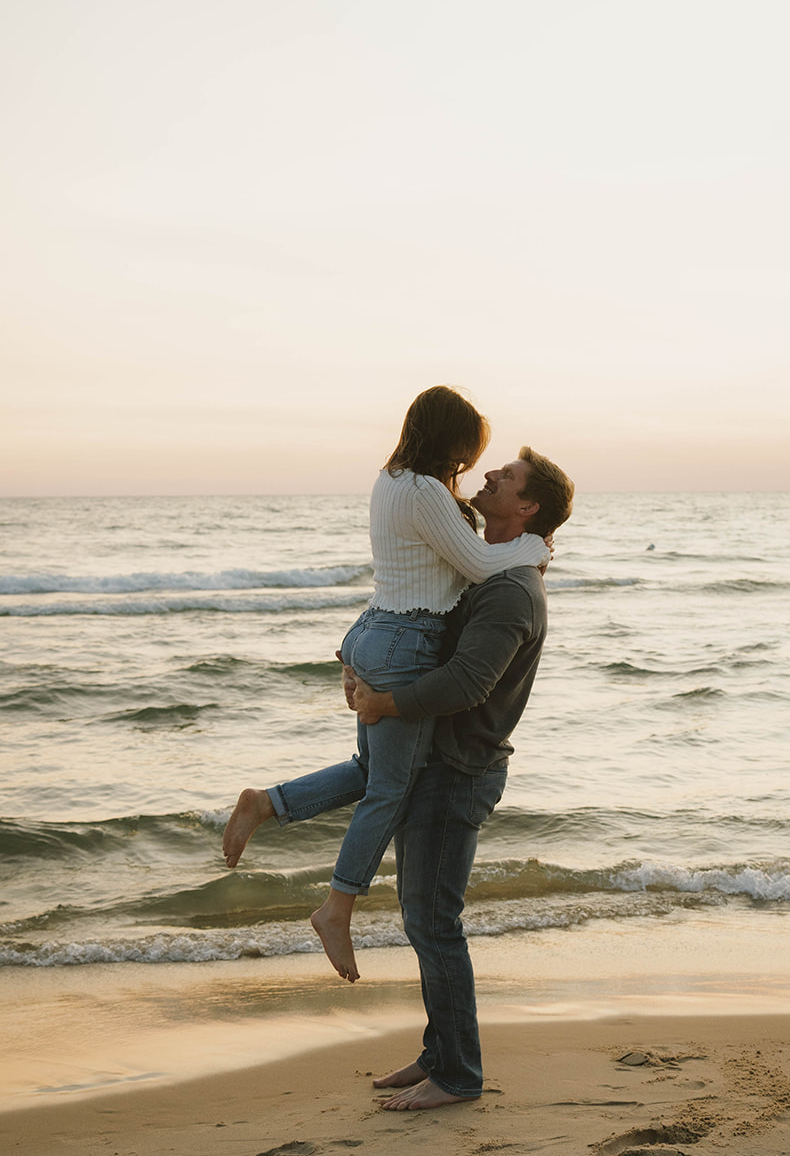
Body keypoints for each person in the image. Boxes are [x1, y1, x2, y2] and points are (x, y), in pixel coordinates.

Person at [222, 446, 575, 1110]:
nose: (489, 476)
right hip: (436, 761)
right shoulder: (480, 567)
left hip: (458, 772)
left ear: (525, 508)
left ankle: (458, 1075)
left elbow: (466, 681)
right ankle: (438, 1055)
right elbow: (418, 624)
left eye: (506, 478)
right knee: (423, 918)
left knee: (434, 922)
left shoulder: (509, 590)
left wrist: (385, 701)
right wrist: (369, 669)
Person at [225, 387, 550, 985]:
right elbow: (479, 566)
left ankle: (269, 803)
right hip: (406, 639)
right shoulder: (427, 491)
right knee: (389, 791)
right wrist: (536, 548)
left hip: (379, 626)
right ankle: (337, 907)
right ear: (450, 439)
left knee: (373, 771)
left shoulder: (392, 480)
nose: (473, 466)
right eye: (469, 451)